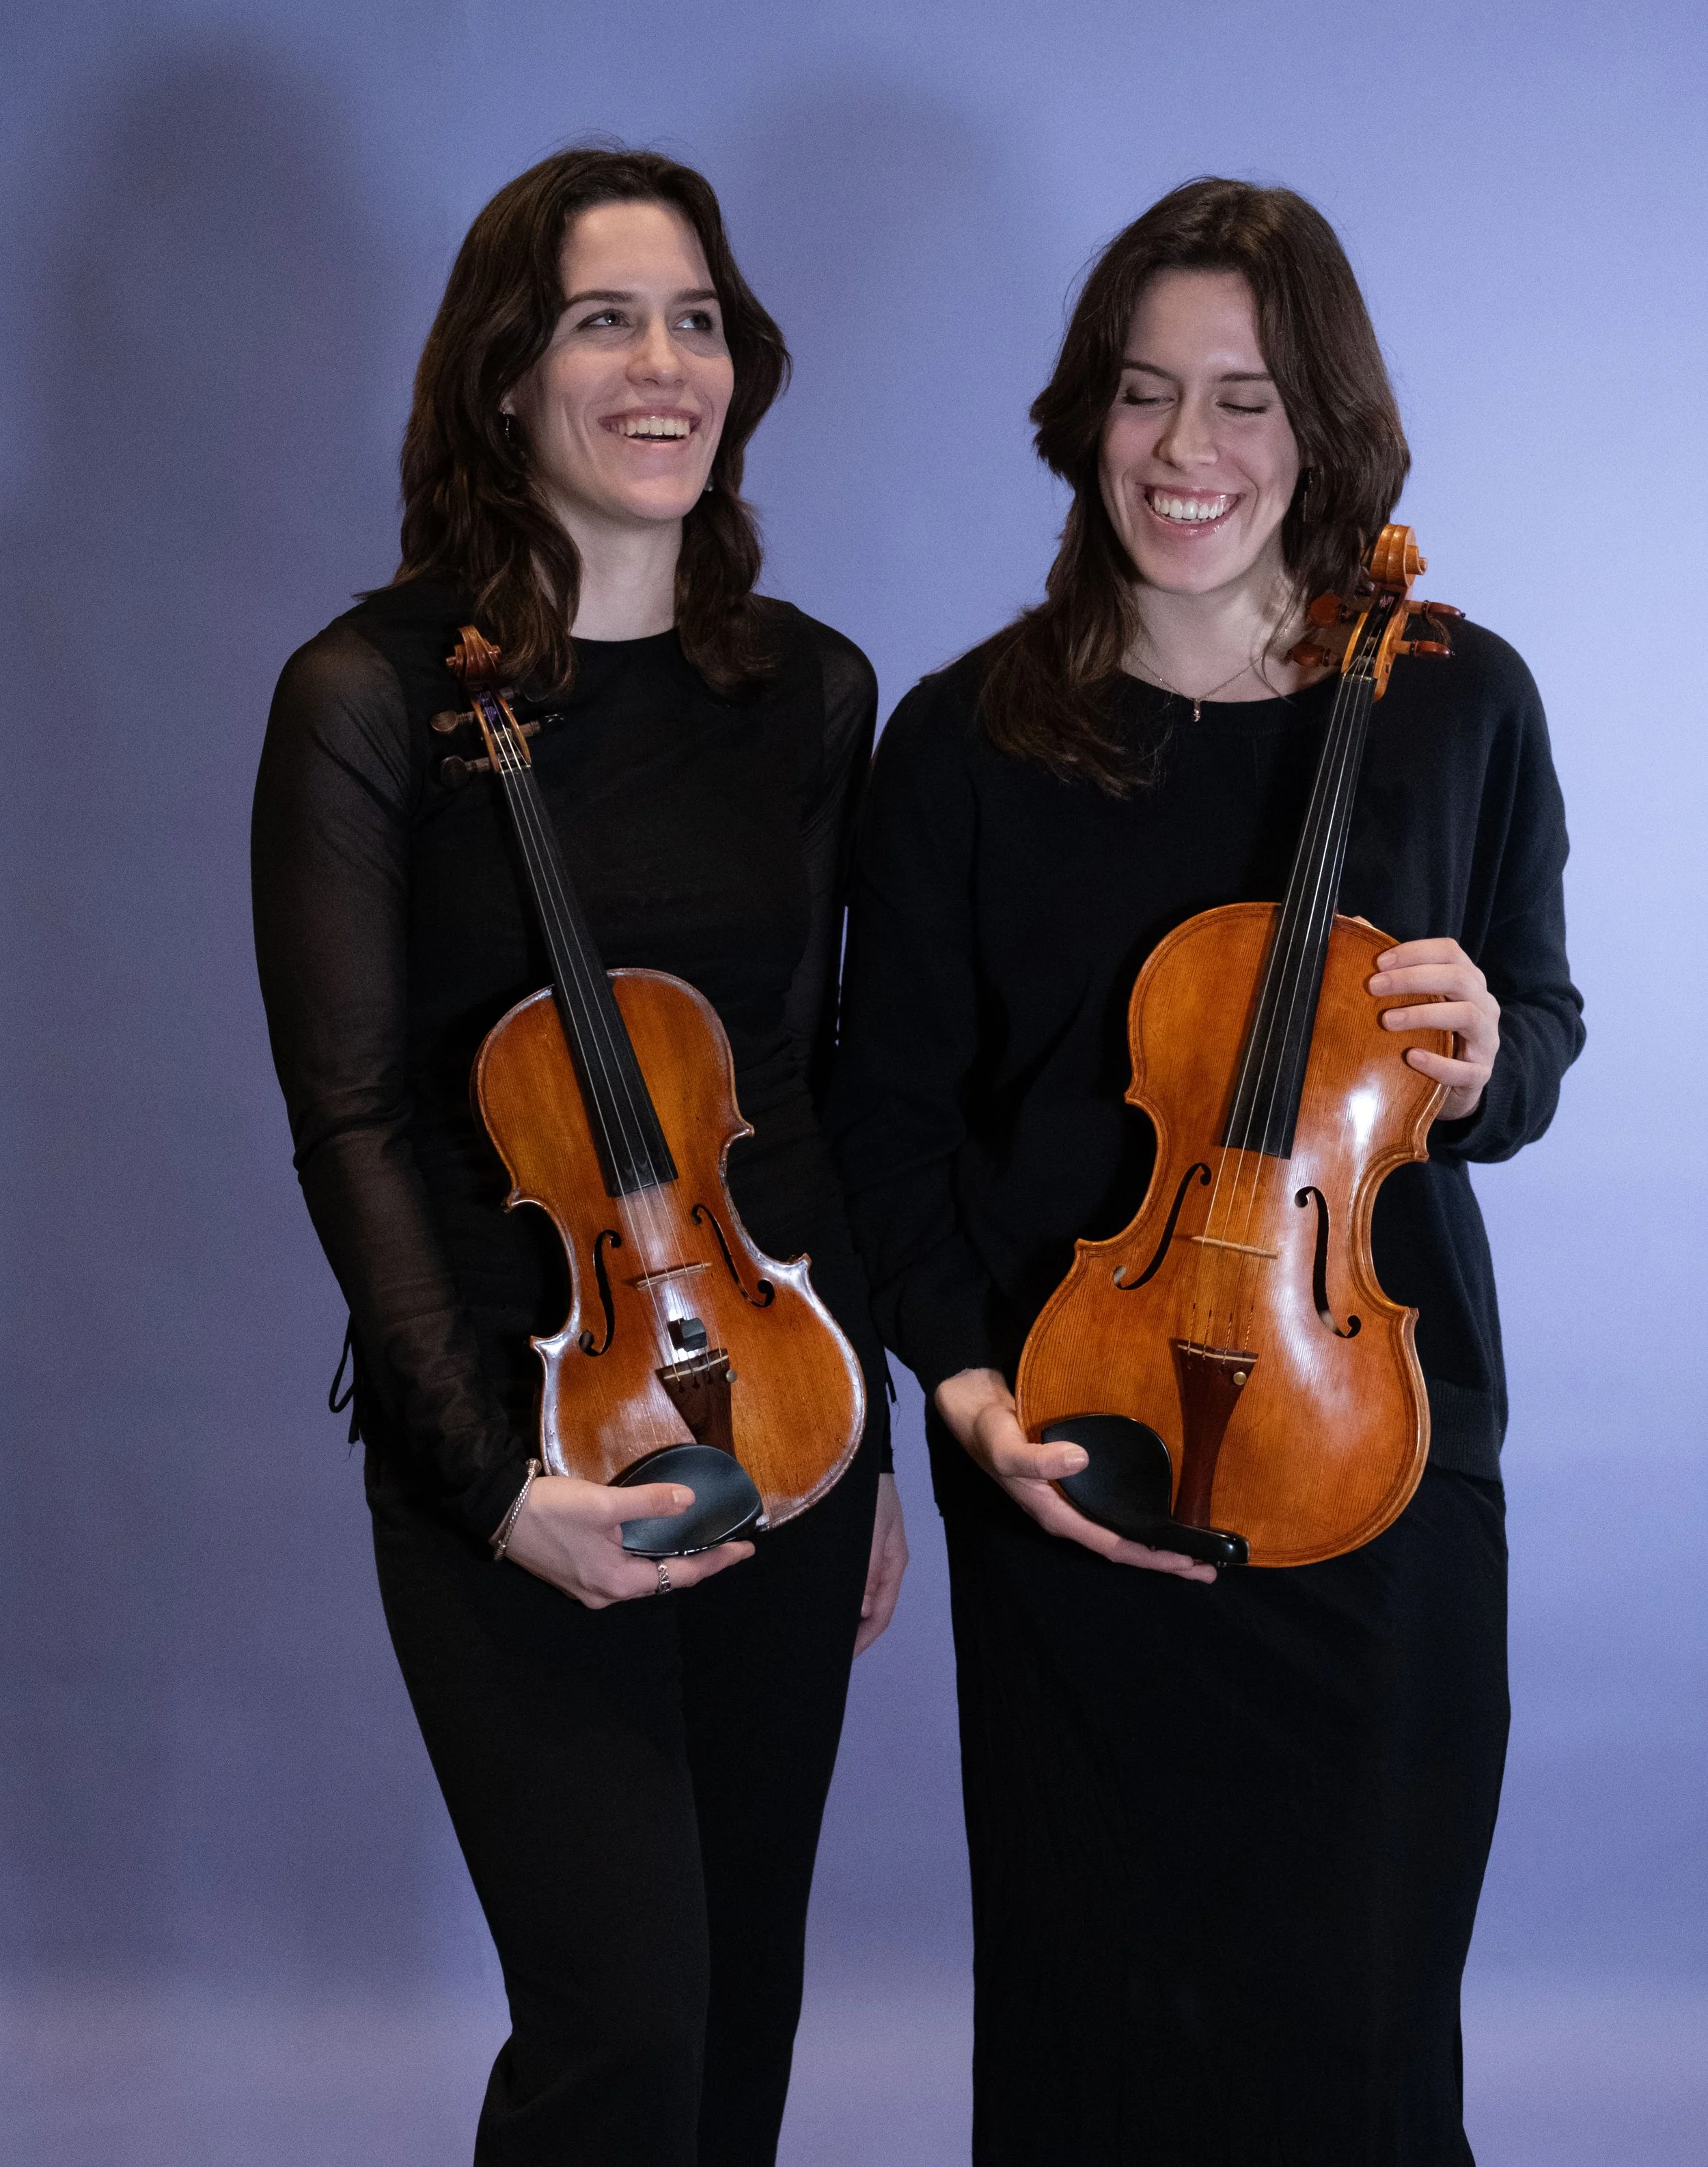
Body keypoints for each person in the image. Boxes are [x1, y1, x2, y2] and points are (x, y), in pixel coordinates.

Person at [829, 178, 1582, 2166]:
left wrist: (1492, 1051)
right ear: (1084, 415)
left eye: (1244, 399)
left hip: (1378, 1453)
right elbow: (886, 1116)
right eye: (1145, 393)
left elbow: (1531, 1051)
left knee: (1352, 2026)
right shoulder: (963, 741)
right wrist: (964, 1390)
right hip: (1073, 1455)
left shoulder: (1457, 703)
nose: (1186, 453)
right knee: (1095, 2027)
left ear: (1323, 425)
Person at [252, 146, 907, 2167]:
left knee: (748, 2007)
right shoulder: (367, 698)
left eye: (696, 318)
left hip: (778, 1407)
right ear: (506, 377)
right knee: (623, 2017)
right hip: (524, 1439)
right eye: (602, 318)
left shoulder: (801, 687)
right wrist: (487, 1484)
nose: (662, 364)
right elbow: (350, 1115)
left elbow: (794, 1088)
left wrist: (855, 1424)